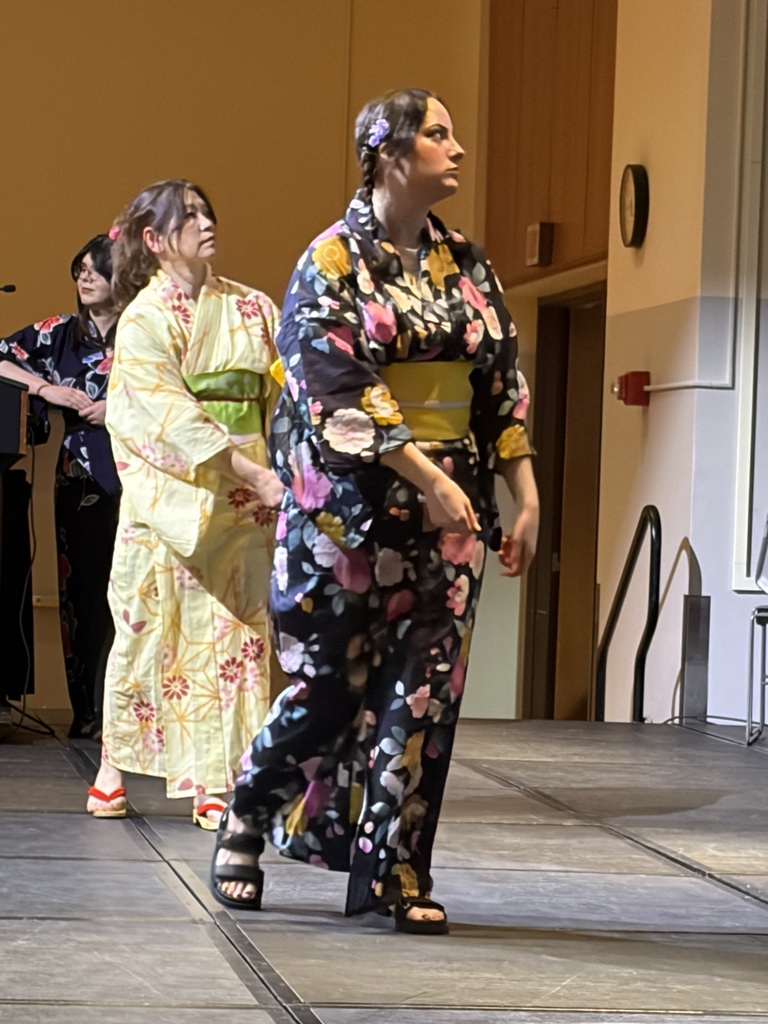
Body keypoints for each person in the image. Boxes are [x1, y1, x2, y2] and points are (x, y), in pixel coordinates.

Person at [210, 89, 539, 933]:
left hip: (450, 514)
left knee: (422, 697)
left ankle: (394, 871)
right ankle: (249, 811)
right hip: (345, 516)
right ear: (389, 153)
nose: (457, 148)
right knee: (329, 689)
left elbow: (499, 383)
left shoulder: (468, 264)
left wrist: (526, 493)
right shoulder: (329, 261)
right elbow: (337, 389)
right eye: (438, 134)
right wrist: (426, 477)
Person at [86, 179, 284, 828]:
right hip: (168, 500)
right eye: (188, 216)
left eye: (207, 212)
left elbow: (285, 393)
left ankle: (219, 777)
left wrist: (274, 468)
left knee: (235, 639)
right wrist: (250, 470)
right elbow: (165, 414)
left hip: (242, 502)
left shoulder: (252, 307)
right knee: (148, 635)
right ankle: (113, 766)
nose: (205, 223)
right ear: (154, 239)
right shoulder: (144, 318)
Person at [0, 236, 120, 738]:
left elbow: (186, 387)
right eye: (80, 270)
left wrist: (119, 407)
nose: (85, 278)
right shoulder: (59, 334)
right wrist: (45, 388)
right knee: (82, 595)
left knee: (138, 596)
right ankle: (90, 716)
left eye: (97, 270)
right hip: (78, 474)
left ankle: (133, 720)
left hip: (144, 471)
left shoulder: (150, 331)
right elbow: (1, 356)